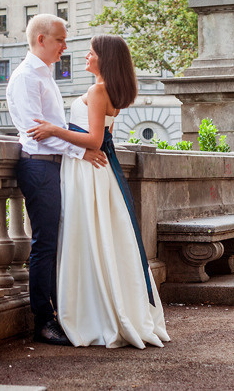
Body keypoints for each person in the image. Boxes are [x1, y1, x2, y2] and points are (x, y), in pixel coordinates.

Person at [28, 35, 169, 348]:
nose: (86, 58)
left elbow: (93, 140)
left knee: (86, 237)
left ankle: (92, 313)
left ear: (104, 59)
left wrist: (52, 129)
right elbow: (103, 138)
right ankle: (105, 309)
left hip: (88, 171)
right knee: (101, 238)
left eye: (90, 53)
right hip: (97, 170)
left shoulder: (97, 90)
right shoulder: (110, 91)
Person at [6, 14, 107, 346]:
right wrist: (82, 152)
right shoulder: (25, 78)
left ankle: (61, 313)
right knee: (45, 244)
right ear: (41, 40)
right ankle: (43, 322)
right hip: (37, 166)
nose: (66, 46)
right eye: (61, 40)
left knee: (57, 242)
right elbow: (37, 134)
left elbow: (53, 129)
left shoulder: (44, 75)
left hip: (54, 166)